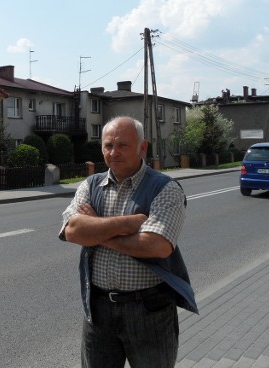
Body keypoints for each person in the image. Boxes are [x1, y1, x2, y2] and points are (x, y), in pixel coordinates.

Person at [59, 116, 197, 368]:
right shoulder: (91, 185)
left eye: (122, 145)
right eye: (108, 145)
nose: (114, 152)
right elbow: (72, 231)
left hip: (149, 310)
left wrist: (98, 232)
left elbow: (156, 245)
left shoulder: (165, 188)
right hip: (98, 309)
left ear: (142, 147)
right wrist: (127, 224)